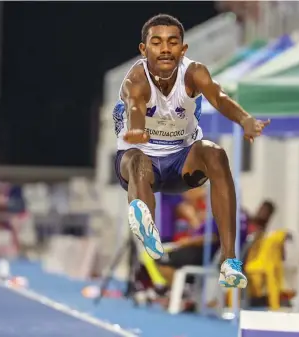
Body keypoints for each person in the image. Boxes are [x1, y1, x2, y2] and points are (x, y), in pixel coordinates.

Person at [112, 14, 270, 288]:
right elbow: (136, 105)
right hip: (140, 160)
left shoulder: (194, 73)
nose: (164, 49)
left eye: (172, 43)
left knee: (215, 152)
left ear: (182, 50)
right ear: (143, 49)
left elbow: (219, 98)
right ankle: (147, 226)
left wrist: (244, 119)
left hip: (181, 162)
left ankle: (229, 261)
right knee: (138, 161)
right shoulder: (135, 79)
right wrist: (136, 129)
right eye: (157, 42)